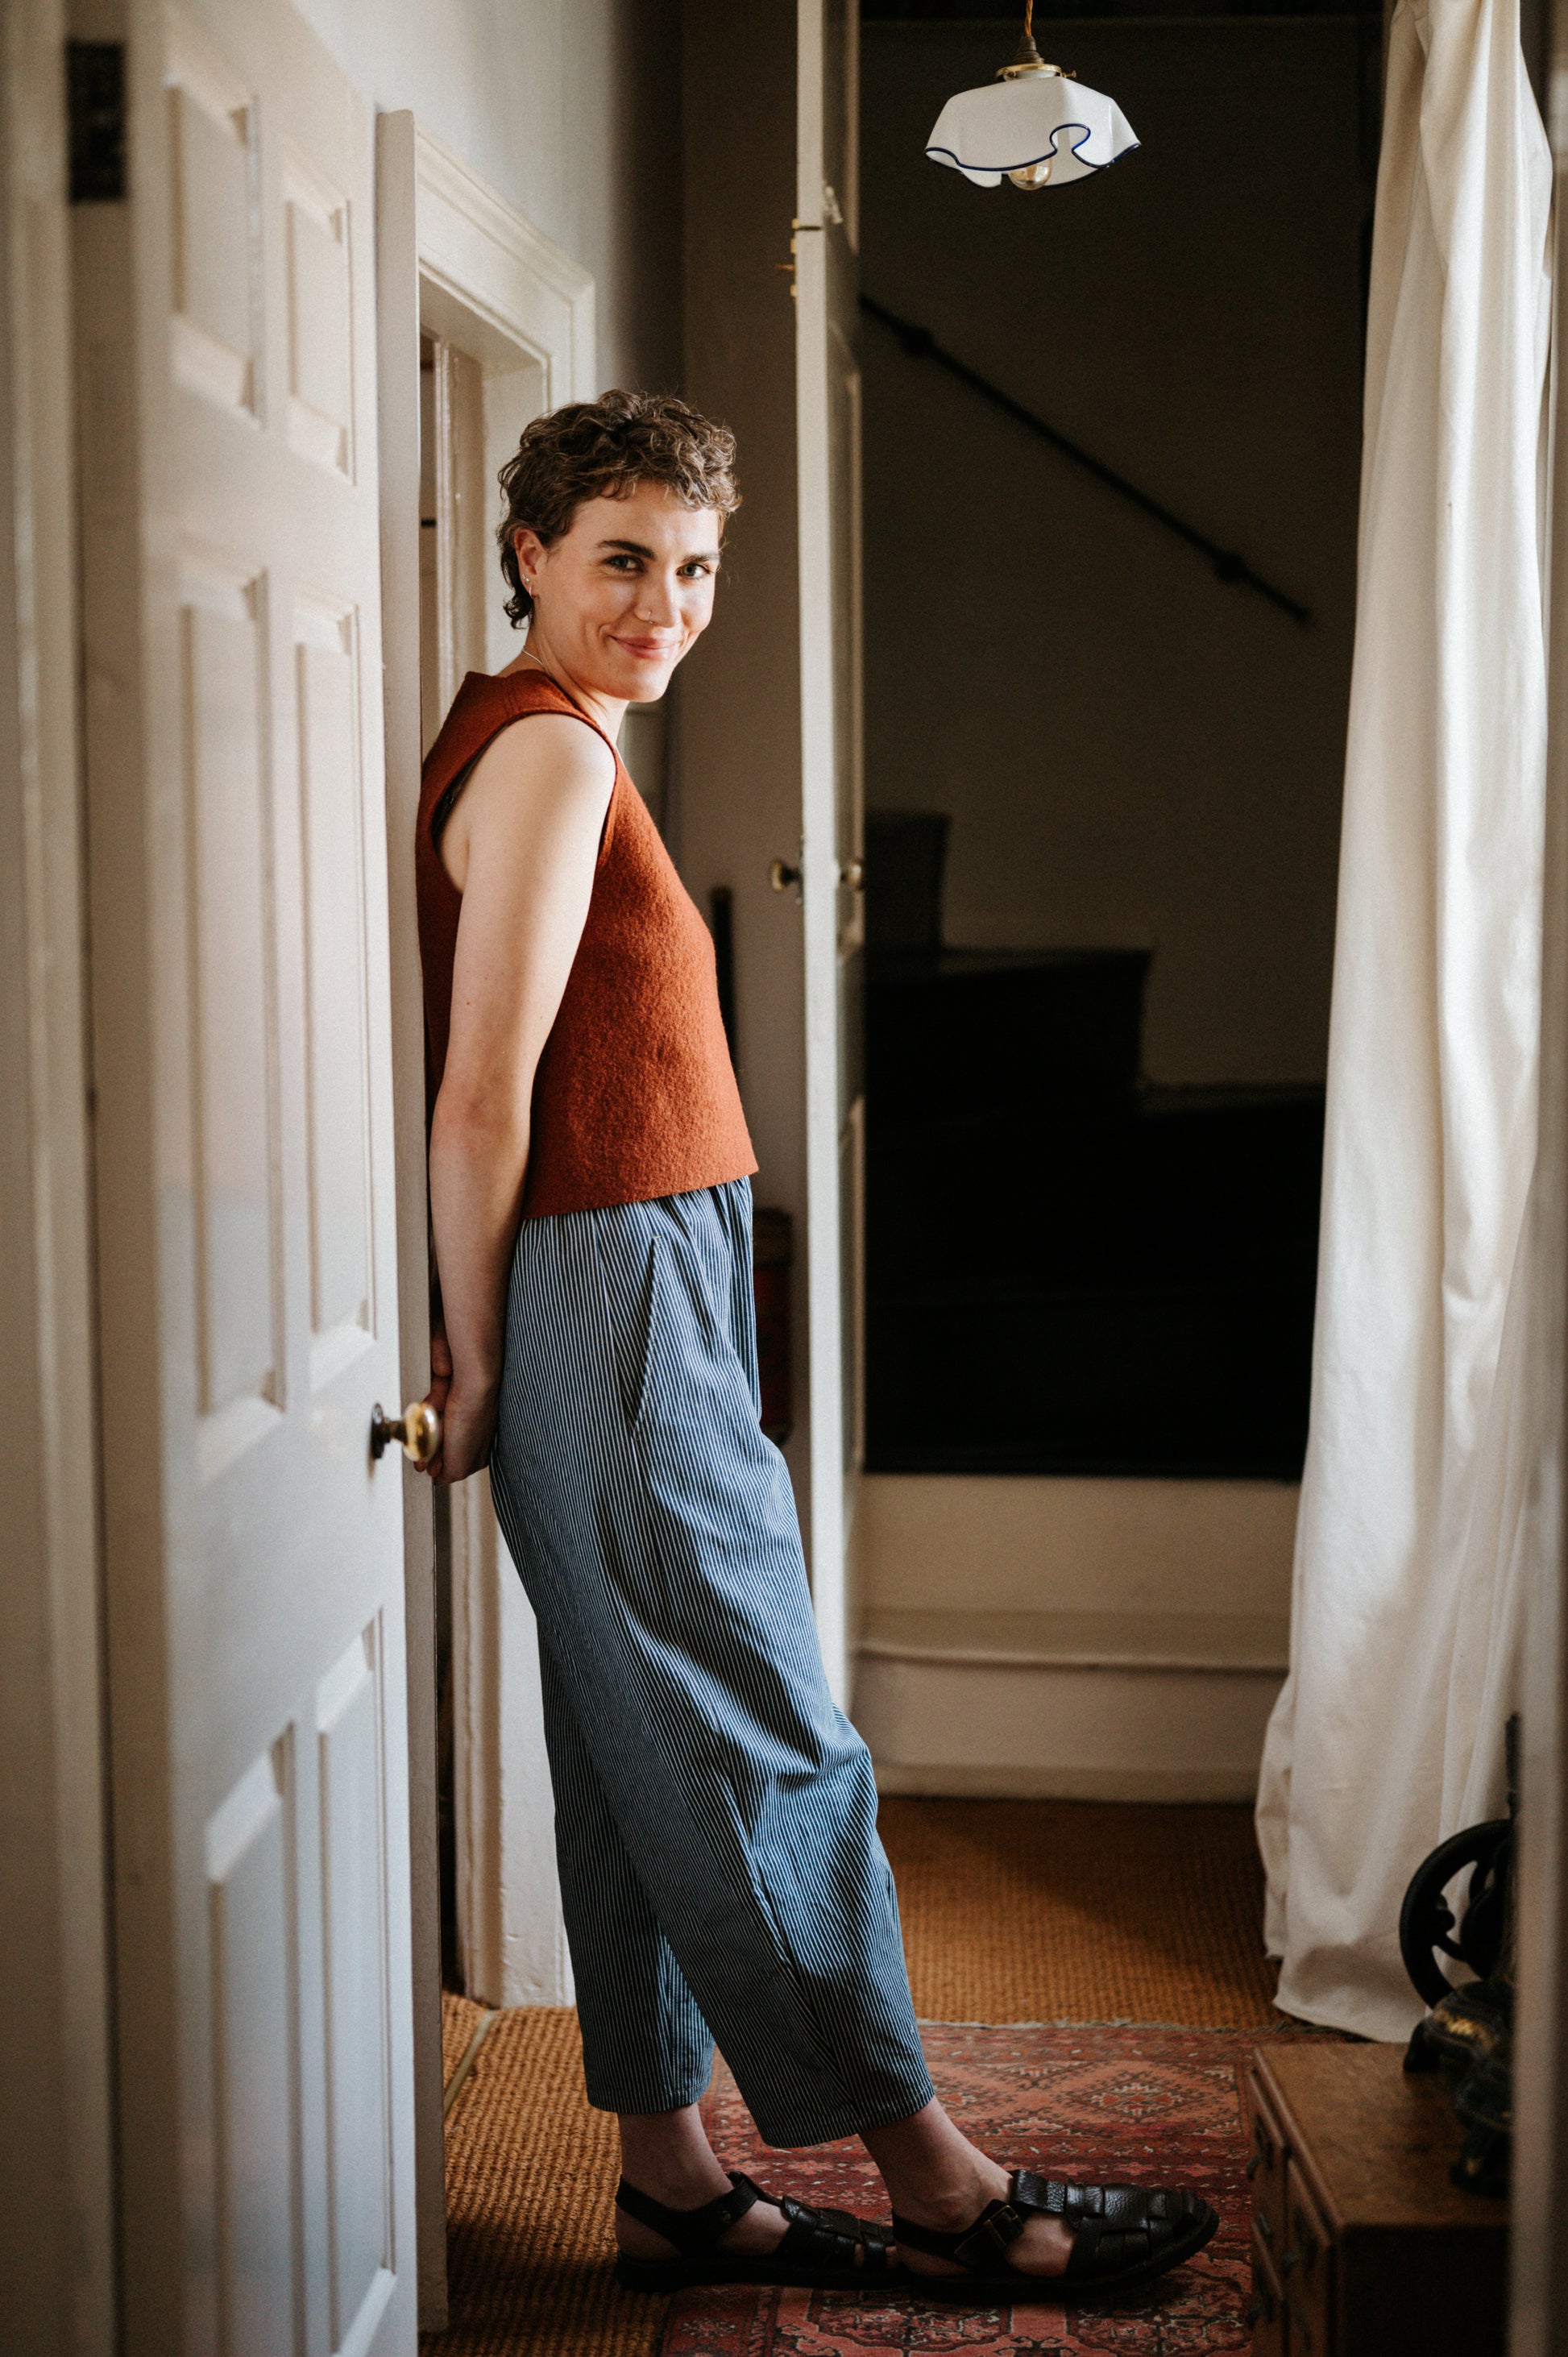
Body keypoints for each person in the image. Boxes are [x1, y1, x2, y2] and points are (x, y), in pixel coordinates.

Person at [415, 388, 1216, 2301]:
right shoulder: (538, 757)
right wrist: (475, 1364)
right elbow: (479, 1097)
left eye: (692, 569)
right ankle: (939, 2182)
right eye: (621, 560)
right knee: (768, 1736)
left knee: (629, 1747)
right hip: (598, 1287)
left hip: (643, 1271)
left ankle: (672, 2176)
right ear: (527, 552)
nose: (664, 603)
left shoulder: (567, 737)